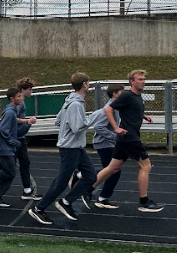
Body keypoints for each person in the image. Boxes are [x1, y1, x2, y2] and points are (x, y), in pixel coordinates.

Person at [29, 72, 98, 226]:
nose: (89, 85)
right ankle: (38, 209)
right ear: (85, 84)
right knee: (60, 183)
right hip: (70, 149)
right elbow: (77, 127)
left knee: (91, 176)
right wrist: (93, 117)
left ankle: (66, 202)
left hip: (76, 148)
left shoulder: (70, 101)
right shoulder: (75, 104)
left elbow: (58, 121)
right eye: (88, 82)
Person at [92, 70, 164, 212]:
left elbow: (132, 110)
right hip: (129, 138)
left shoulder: (137, 96)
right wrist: (116, 127)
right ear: (132, 81)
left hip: (126, 138)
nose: (143, 81)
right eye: (140, 79)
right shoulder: (127, 95)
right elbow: (108, 109)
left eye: (144, 79)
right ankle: (144, 202)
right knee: (146, 166)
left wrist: (144, 116)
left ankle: (87, 189)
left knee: (113, 168)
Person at [69, 83, 126, 209]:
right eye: (123, 92)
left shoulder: (116, 106)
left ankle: (85, 180)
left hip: (107, 143)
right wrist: (115, 136)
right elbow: (99, 126)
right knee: (113, 170)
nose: (125, 94)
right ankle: (100, 196)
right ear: (115, 94)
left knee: (111, 170)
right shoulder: (109, 108)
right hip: (104, 143)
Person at [15, 77, 41, 201]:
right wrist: (28, 122)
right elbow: (11, 118)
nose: (31, 92)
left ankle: (27, 190)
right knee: (7, 167)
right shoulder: (20, 103)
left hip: (19, 137)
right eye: (30, 89)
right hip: (16, 137)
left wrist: (26, 121)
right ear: (23, 90)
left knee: (24, 163)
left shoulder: (21, 102)